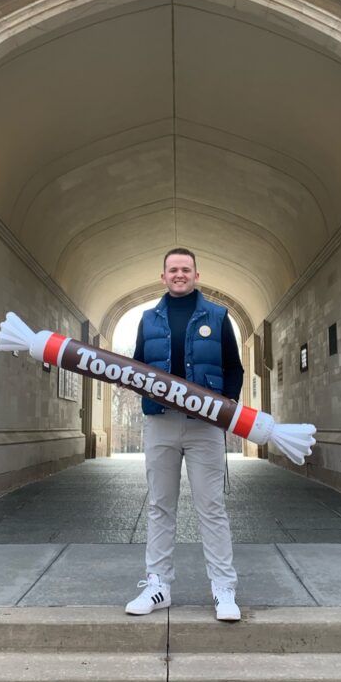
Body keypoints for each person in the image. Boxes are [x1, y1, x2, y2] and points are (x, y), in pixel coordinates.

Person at [124, 248, 244, 622]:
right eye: (173, 269)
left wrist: (222, 409)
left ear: (196, 275)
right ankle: (158, 585)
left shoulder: (219, 316)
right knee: (160, 506)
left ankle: (224, 590)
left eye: (186, 269)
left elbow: (234, 370)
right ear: (163, 276)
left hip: (204, 427)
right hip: (160, 423)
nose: (179, 274)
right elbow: (138, 366)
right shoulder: (148, 319)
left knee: (212, 508)